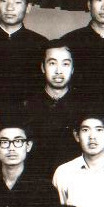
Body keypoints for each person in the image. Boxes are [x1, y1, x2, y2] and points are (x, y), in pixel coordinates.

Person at [18, 39, 84, 182]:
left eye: (65, 64)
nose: (58, 71)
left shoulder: (84, 107)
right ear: (43, 67)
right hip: (35, 183)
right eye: (52, 63)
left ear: (73, 68)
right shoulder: (26, 107)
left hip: (76, 182)